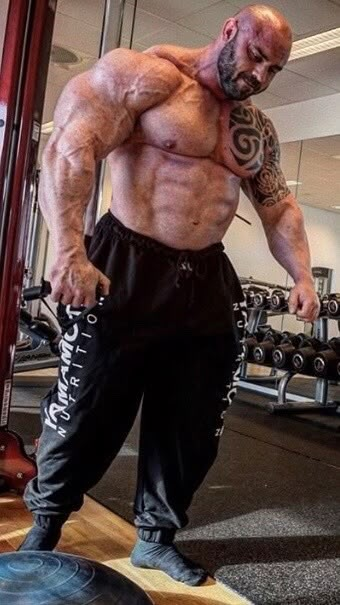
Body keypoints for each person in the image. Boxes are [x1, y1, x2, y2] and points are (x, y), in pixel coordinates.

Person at [20, 4, 320, 586]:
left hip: (205, 276)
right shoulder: (145, 77)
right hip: (127, 262)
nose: (260, 76)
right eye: (258, 57)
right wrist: (68, 250)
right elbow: (71, 150)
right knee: (88, 405)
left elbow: (278, 206)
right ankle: (49, 521)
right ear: (229, 31)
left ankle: (155, 538)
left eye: (274, 69)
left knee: (192, 416)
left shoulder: (253, 128)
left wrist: (302, 275)